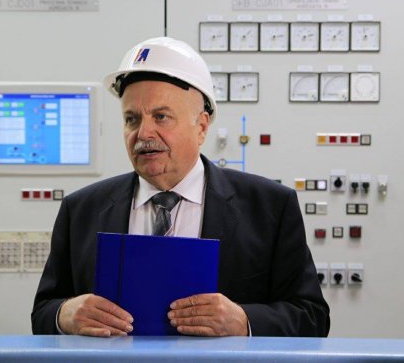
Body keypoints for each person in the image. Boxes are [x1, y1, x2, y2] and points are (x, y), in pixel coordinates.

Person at [31, 36, 330, 337]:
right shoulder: (81, 210)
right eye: (132, 119)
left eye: (161, 117)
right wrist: (65, 315)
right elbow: (42, 313)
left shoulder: (270, 208)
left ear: (201, 127)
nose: (143, 133)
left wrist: (244, 321)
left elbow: (313, 318)